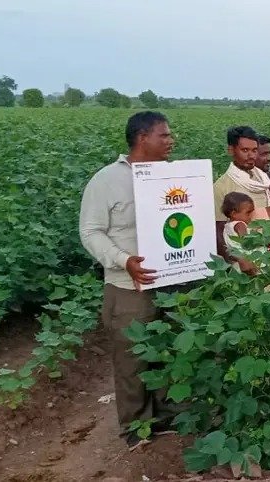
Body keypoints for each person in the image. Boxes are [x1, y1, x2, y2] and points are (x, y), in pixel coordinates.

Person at [78, 111, 179, 447]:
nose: (171, 141)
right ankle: (136, 429)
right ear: (142, 138)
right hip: (128, 287)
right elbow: (91, 232)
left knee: (165, 351)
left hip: (169, 282)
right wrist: (124, 261)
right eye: (164, 135)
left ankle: (166, 417)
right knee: (132, 359)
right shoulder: (106, 180)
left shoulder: (170, 176)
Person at [213, 126, 270, 271]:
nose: (251, 156)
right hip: (243, 263)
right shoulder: (222, 186)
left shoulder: (263, 180)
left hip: (267, 254)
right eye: (245, 150)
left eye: (254, 150)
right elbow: (218, 232)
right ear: (231, 150)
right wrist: (240, 261)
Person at [220, 191, 259, 274]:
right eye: (248, 212)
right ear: (234, 214)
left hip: (236, 263)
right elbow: (247, 242)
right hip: (247, 261)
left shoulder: (227, 226)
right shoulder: (240, 224)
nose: (251, 216)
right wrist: (261, 240)